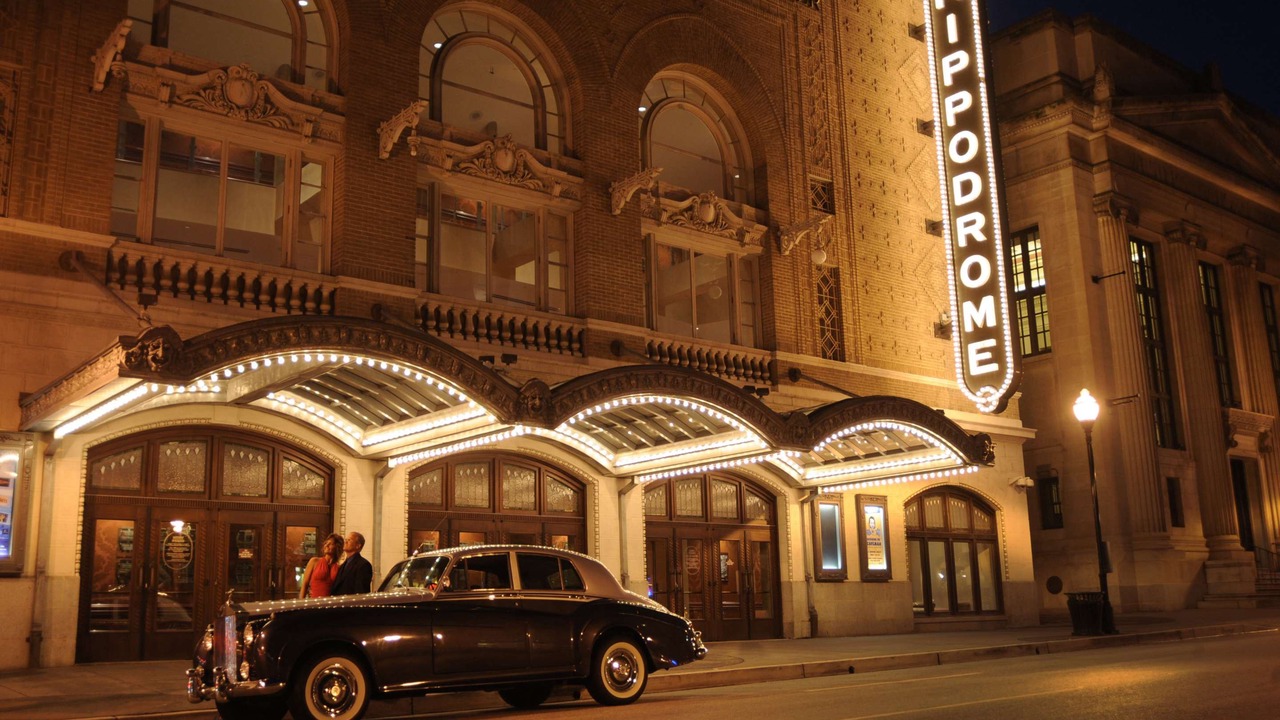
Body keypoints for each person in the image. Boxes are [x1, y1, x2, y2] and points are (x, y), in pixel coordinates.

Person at [298, 533, 344, 599]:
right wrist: (301, 603)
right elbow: (305, 584)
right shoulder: (314, 561)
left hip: (331, 603)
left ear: (337, 547)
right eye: (326, 543)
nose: (327, 545)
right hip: (315, 602)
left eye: (331, 544)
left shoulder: (339, 567)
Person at [330, 531, 373, 595]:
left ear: (358, 546)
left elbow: (361, 591)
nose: (345, 542)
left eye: (349, 540)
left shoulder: (363, 565)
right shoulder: (343, 565)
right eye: (345, 539)